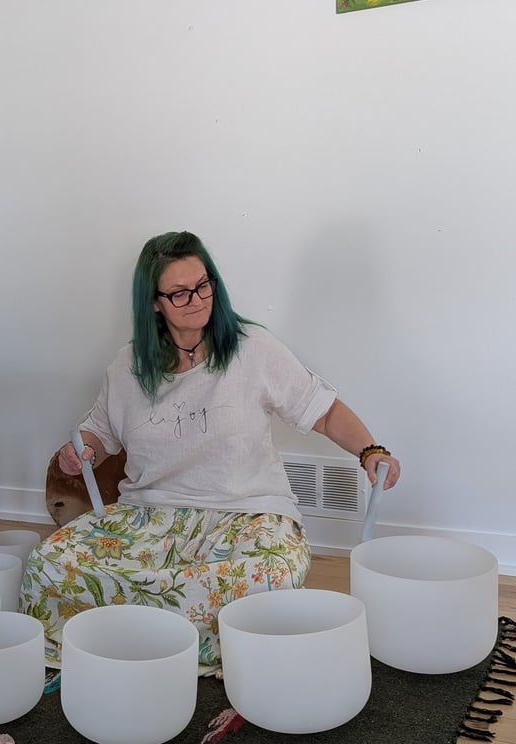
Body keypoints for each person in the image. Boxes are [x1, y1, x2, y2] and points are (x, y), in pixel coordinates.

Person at [20, 230, 401, 674]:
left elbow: (323, 411)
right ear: (154, 303)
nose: (198, 300)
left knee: (270, 575)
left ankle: (137, 640)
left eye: (203, 285)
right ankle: (148, 645)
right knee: (48, 563)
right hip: (149, 517)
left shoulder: (253, 349)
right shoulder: (127, 366)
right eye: (180, 293)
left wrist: (371, 450)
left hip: (248, 514)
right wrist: (78, 452)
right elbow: (97, 435)